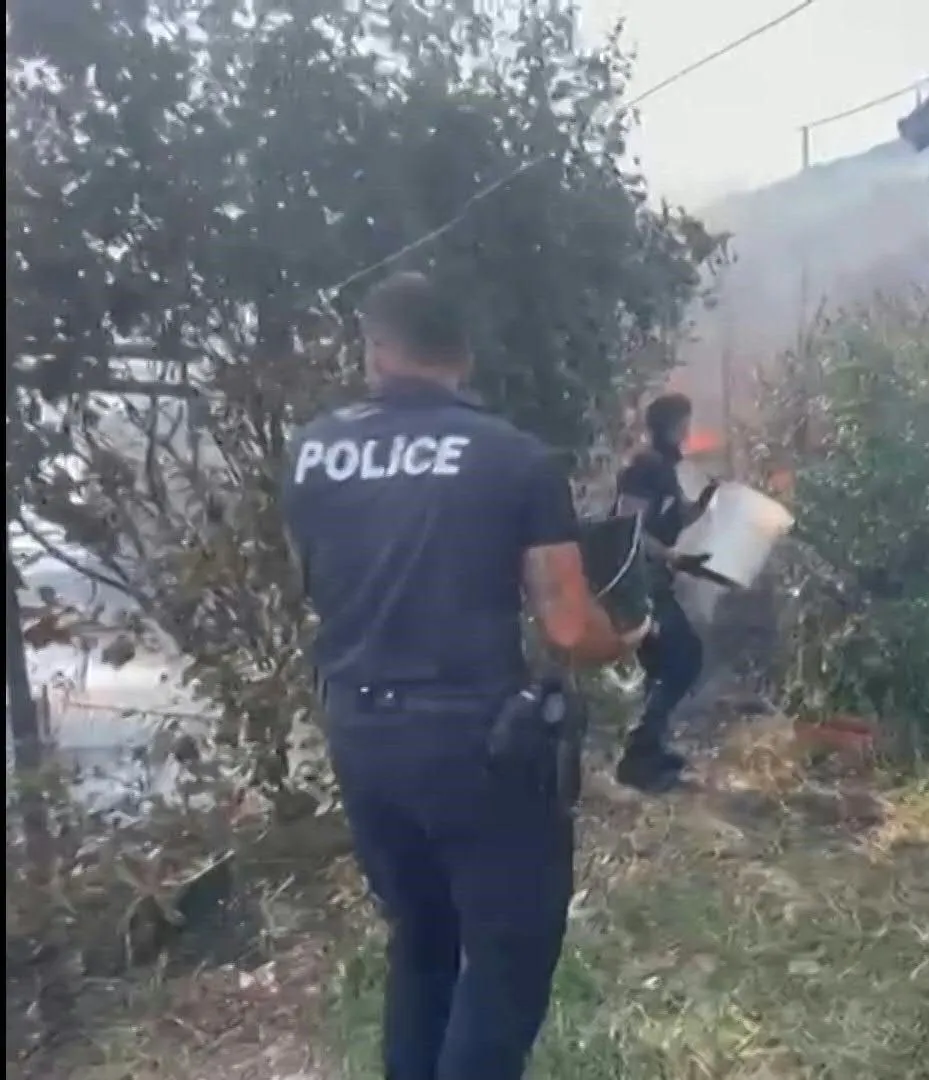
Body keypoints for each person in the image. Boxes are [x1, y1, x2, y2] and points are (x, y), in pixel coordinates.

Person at [281, 271, 646, 1080]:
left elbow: (316, 578)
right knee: (511, 952)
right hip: (472, 742)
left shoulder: (311, 451)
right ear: (464, 353)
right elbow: (567, 625)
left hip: (359, 731)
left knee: (423, 937)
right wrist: (625, 637)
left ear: (377, 346)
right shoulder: (511, 457)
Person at [612, 392, 719, 792]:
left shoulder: (664, 467)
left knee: (663, 665)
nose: (688, 431)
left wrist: (707, 500)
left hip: (654, 580)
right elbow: (628, 526)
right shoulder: (644, 467)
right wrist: (672, 556)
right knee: (682, 658)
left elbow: (677, 515)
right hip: (639, 582)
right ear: (674, 425)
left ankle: (647, 750)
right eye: (685, 423)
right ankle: (639, 753)